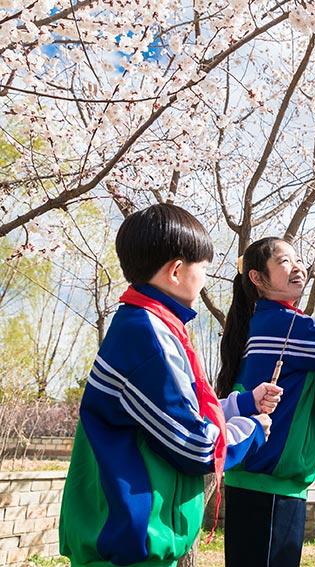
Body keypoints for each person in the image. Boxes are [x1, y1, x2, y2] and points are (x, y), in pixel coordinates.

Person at [59, 204, 278, 567]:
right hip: (130, 550)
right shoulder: (149, 336)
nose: (206, 280)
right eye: (203, 269)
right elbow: (196, 447)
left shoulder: (149, 325)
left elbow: (170, 415)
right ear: (177, 271)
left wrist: (239, 406)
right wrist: (252, 429)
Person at [217, 237, 315, 567]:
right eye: (284, 261)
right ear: (257, 277)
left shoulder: (269, 321)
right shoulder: (286, 324)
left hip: (257, 480)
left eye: (298, 260)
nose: (297, 267)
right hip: (269, 486)